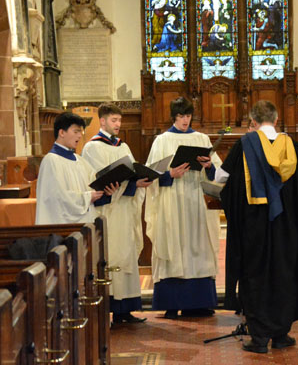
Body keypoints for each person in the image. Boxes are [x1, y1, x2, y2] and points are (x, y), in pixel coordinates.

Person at [215, 100, 298, 354]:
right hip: (286, 226)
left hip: (255, 225)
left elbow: (221, 177)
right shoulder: (292, 146)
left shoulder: (245, 145)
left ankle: (260, 337)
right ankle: (282, 333)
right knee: (284, 273)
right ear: (276, 120)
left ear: (253, 121)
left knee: (256, 275)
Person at [145, 97, 222, 319]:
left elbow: (217, 172)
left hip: (196, 200)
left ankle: (199, 302)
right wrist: (170, 174)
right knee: (174, 244)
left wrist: (209, 166)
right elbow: (150, 174)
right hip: (171, 201)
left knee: (198, 246)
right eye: (181, 116)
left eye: (188, 116)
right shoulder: (162, 140)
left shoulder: (202, 138)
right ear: (173, 117)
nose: (185, 120)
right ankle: (172, 302)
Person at [81, 104, 150, 325]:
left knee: (126, 256)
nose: (118, 124)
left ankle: (124, 311)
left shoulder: (124, 146)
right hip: (107, 211)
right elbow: (95, 178)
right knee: (109, 256)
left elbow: (130, 173)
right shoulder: (92, 148)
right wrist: (128, 185)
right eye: (113, 120)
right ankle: (106, 310)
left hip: (124, 210)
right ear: (102, 121)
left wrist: (137, 183)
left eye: (120, 120)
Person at [36, 112, 116, 224]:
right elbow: (57, 199)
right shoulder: (51, 161)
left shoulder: (80, 161)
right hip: (62, 228)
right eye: (76, 131)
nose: (80, 136)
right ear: (62, 132)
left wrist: (105, 192)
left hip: (85, 227)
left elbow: (93, 186)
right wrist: (87, 197)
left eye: (81, 131)